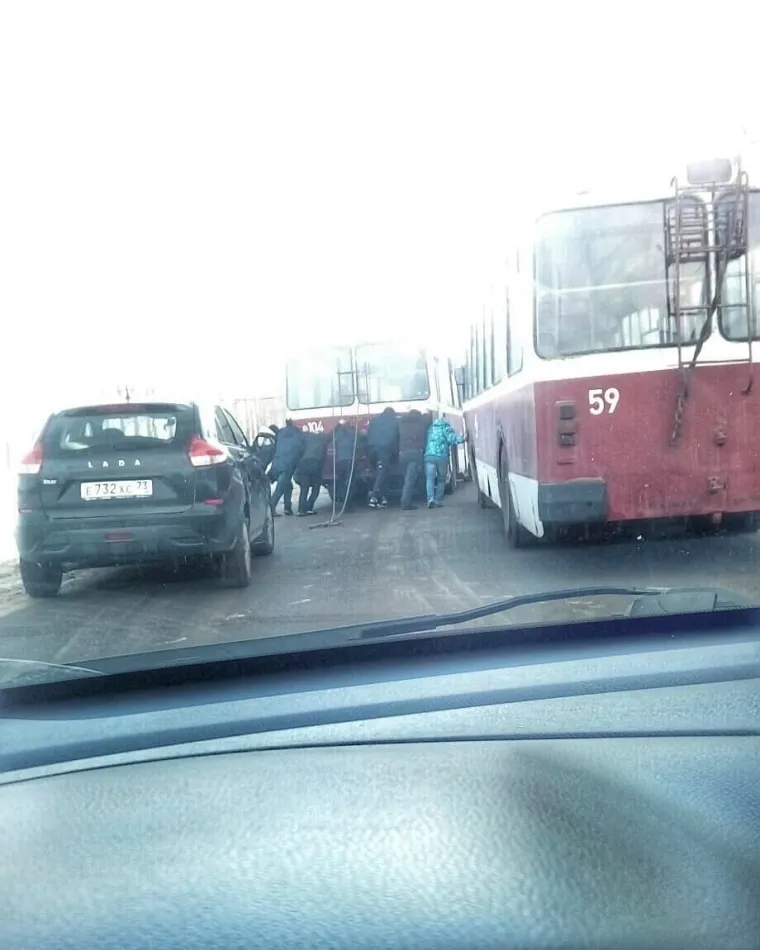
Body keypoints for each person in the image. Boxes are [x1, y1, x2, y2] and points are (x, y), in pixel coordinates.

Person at [423, 415, 465, 508]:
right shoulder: (446, 428)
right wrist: (463, 438)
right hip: (441, 457)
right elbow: (452, 439)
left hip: (429, 456)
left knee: (430, 479)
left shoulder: (431, 429)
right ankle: (437, 500)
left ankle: (430, 499)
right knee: (441, 479)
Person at [269, 419, 306, 516]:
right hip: (288, 464)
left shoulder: (281, 434)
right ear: (293, 425)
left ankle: (287, 508)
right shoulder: (298, 435)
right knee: (279, 489)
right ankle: (271, 508)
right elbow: (301, 448)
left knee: (288, 486)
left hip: (277, 462)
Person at [366, 407, 398, 508]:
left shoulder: (375, 420)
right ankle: (374, 497)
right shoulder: (393, 422)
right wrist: (396, 453)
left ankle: (383, 498)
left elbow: (369, 435)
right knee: (382, 472)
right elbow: (394, 437)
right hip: (384, 450)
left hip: (372, 451)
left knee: (382, 473)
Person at [397, 409, 428, 510]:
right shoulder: (420, 424)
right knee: (410, 480)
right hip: (415, 453)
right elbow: (424, 438)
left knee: (406, 478)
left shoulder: (402, 424)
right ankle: (406, 503)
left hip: (402, 453)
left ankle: (406, 500)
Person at [294, 431, 327, 516]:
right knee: (316, 487)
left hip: (303, 464)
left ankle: (301, 510)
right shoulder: (322, 439)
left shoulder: (306, 438)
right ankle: (309, 507)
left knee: (304, 488)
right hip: (315, 463)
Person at [332, 421, 359, 509]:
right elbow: (359, 437)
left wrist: (336, 427)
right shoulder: (352, 434)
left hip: (339, 461)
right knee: (350, 483)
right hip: (349, 460)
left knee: (341, 482)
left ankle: (342, 500)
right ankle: (348, 504)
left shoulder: (338, 434)